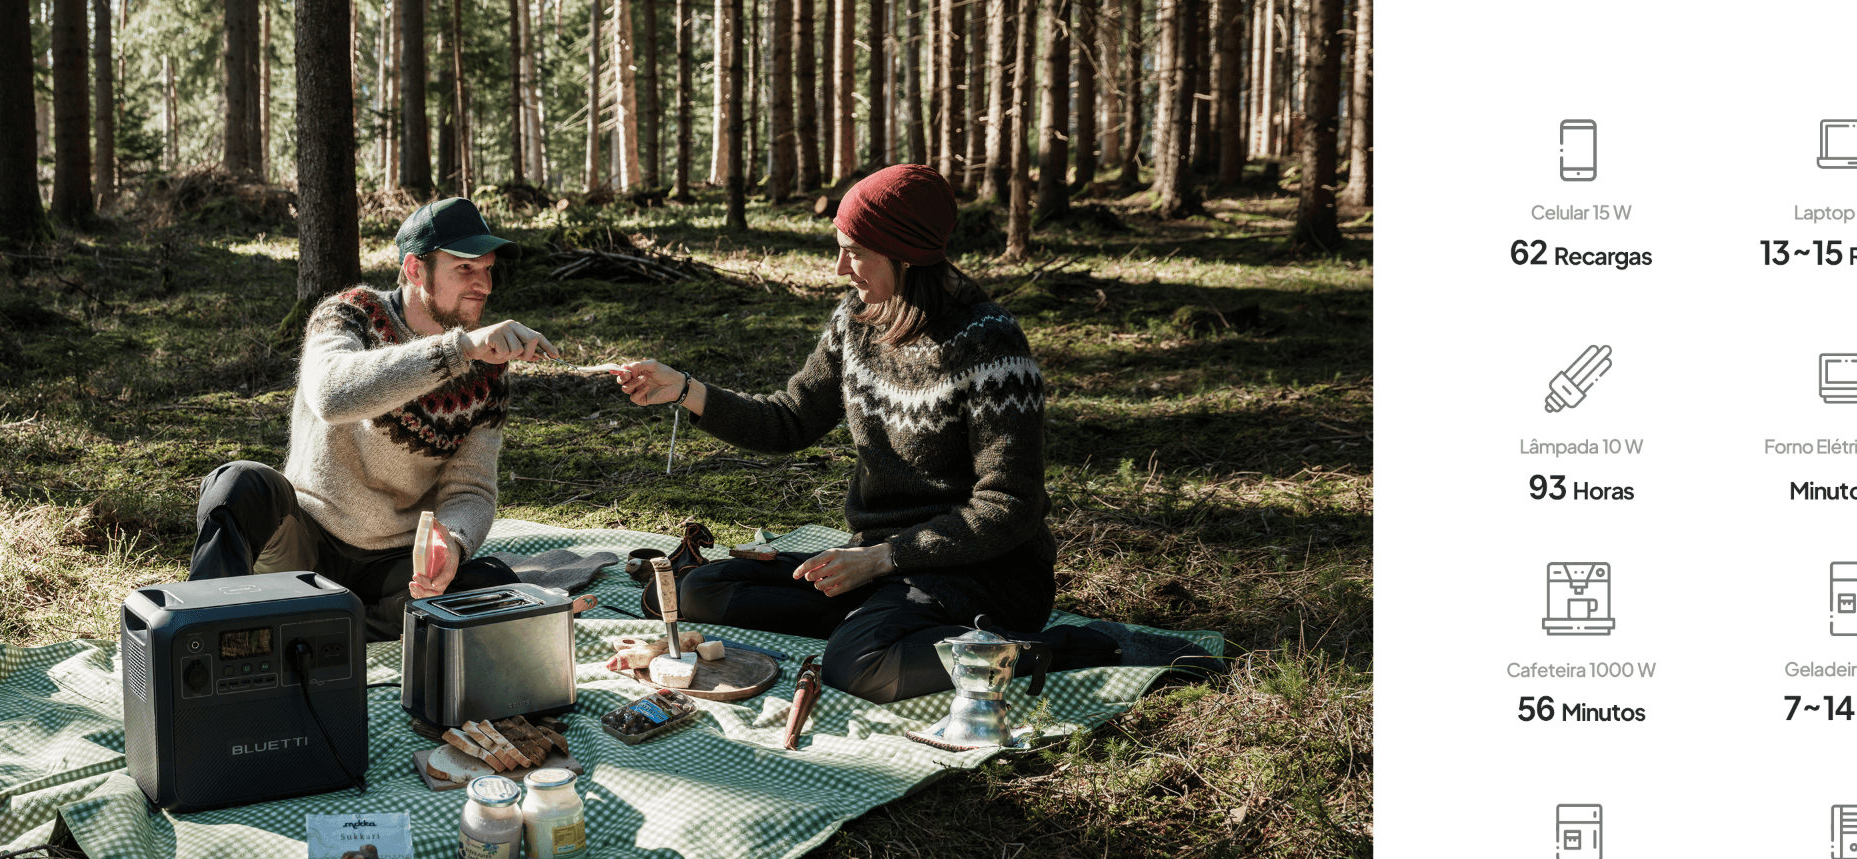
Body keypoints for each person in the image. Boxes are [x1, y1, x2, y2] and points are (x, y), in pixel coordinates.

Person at [604, 165, 1213, 703]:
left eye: (856, 252)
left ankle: (1086, 647)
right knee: (694, 591)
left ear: (907, 255)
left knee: (858, 663)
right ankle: (883, 619)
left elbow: (1011, 508)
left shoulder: (989, 346)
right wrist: (685, 390)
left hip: (981, 573)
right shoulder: (856, 319)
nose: (841, 268)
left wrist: (882, 558)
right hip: (884, 566)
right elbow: (792, 417)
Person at [190, 197, 561, 636]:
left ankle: (317, 627)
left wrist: (454, 543)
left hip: (394, 565)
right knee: (237, 483)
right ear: (414, 268)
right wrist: (457, 349)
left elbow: (471, 487)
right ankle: (203, 632)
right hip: (307, 536)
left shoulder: (486, 369)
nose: (483, 284)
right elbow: (332, 395)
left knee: (492, 582)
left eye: (487, 269)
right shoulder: (350, 314)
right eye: (465, 268)